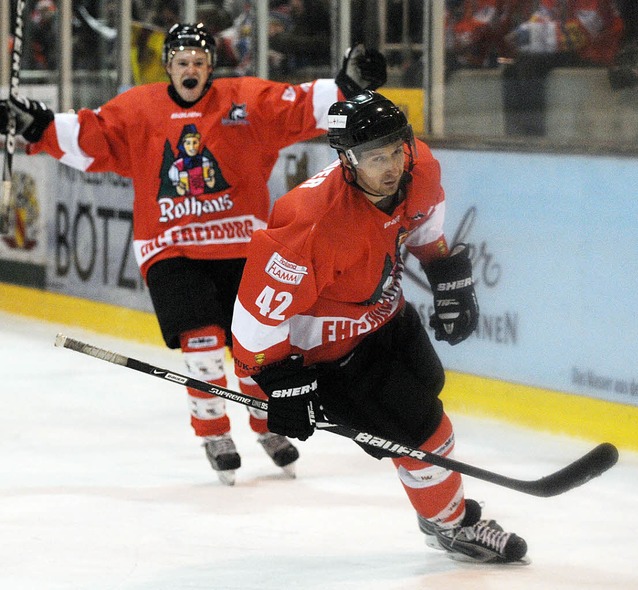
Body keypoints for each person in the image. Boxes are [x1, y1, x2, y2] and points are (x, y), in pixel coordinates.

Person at [0, 23, 387, 486]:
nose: (191, 70)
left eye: (199, 63)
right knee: (201, 342)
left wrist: (346, 86)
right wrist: (35, 123)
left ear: (210, 68)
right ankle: (214, 432)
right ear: (168, 66)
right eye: (182, 62)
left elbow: (300, 106)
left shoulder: (243, 100)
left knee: (256, 350)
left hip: (245, 245)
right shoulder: (139, 108)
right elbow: (91, 135)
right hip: (170, 246)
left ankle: (266, 425)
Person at [230, 90, 528, 563]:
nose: (391, 166)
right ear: (347, 160)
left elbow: (426, 227)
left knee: (427, 392)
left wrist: (444, 273)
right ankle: (453, 525)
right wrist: (277, 381)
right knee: (425, 433)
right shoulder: (309, 225)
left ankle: (434, 507)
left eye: (395, 150)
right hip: (334, 356)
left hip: (389, 317)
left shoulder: (420, 168)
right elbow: (253, 321)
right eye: (374, 157)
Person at [500, 0, 624, 136]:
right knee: (511, 70)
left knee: (532, 63)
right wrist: (523, 31)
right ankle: (515, 134)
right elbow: (542, 15)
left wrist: (529, 35)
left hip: (595, 53)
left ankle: (533, 134)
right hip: (572, 50)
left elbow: (581, 32)